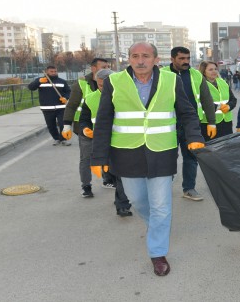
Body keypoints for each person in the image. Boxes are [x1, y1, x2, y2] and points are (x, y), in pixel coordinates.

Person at [90, 42, 205, 276]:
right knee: (138, 200)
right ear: (128, 59)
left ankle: (157, 253)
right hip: (126, 152)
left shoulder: (172, 81)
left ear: (155, 59)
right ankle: (157, 228)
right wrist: (98, 157)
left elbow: (187, 112)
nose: (140, 60)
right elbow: (103, 121)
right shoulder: (114, 82)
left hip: (162, 151)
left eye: (145, 56)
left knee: (161, 206)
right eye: (135, 56)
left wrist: (194, 136)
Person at [162, 46, 215, 201]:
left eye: (188, 58)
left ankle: (189, 188)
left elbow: (206, 99)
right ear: (172, 59)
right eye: (181, 59)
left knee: (191, 157)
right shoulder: (162, 74)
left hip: (191, 124)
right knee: (167, 158)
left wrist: (211, 122)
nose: (186, 62)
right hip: (168, 124)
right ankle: (163, 188)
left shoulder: (195, 75)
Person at [78, 68, 132, 216]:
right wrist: (85, 129)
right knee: (112, 172)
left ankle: (122, 205)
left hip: (121, 141)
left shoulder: (126, 96)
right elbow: (83, 120)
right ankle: (93, 184)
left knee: (122, 174)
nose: (105, 88)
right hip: (101, 141)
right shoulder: (91, 99)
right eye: (101, 85)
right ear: (97, 83)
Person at [61, 57, 111, 196]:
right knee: (86, 157)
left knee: (108, 156)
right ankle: (86, 186)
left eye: (108, 66)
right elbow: (71, 105)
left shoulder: (112, 81)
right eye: (103, 66)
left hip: (105, 130)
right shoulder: (82, 83)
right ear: (93, 68)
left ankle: (107, 179)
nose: (106, 69)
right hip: (85, 128)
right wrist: (66, 125)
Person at [28, 65, 71, 146]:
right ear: (47, 72)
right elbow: (30, 87)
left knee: (63, 124)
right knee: (51, 125)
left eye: (55, 71)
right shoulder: (40, 81)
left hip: (61, 107)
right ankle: (56, 138)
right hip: (47, 108)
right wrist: (39, 82)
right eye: (51, 71)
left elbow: (68, 91)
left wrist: (66, 97)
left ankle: (63, 139)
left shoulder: (62, 81)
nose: (54, 73)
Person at [199, 60, 236, 140]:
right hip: (208, 123)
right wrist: (218, 107)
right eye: (210, 69)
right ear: (204, 72)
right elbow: (200, 103)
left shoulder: (223, 82)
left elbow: (233, 99)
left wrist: (229, 106)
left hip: (226, 122)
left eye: (215, 69)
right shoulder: (200, 84)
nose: (214, 71)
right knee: (211, 149)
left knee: (226, 148)